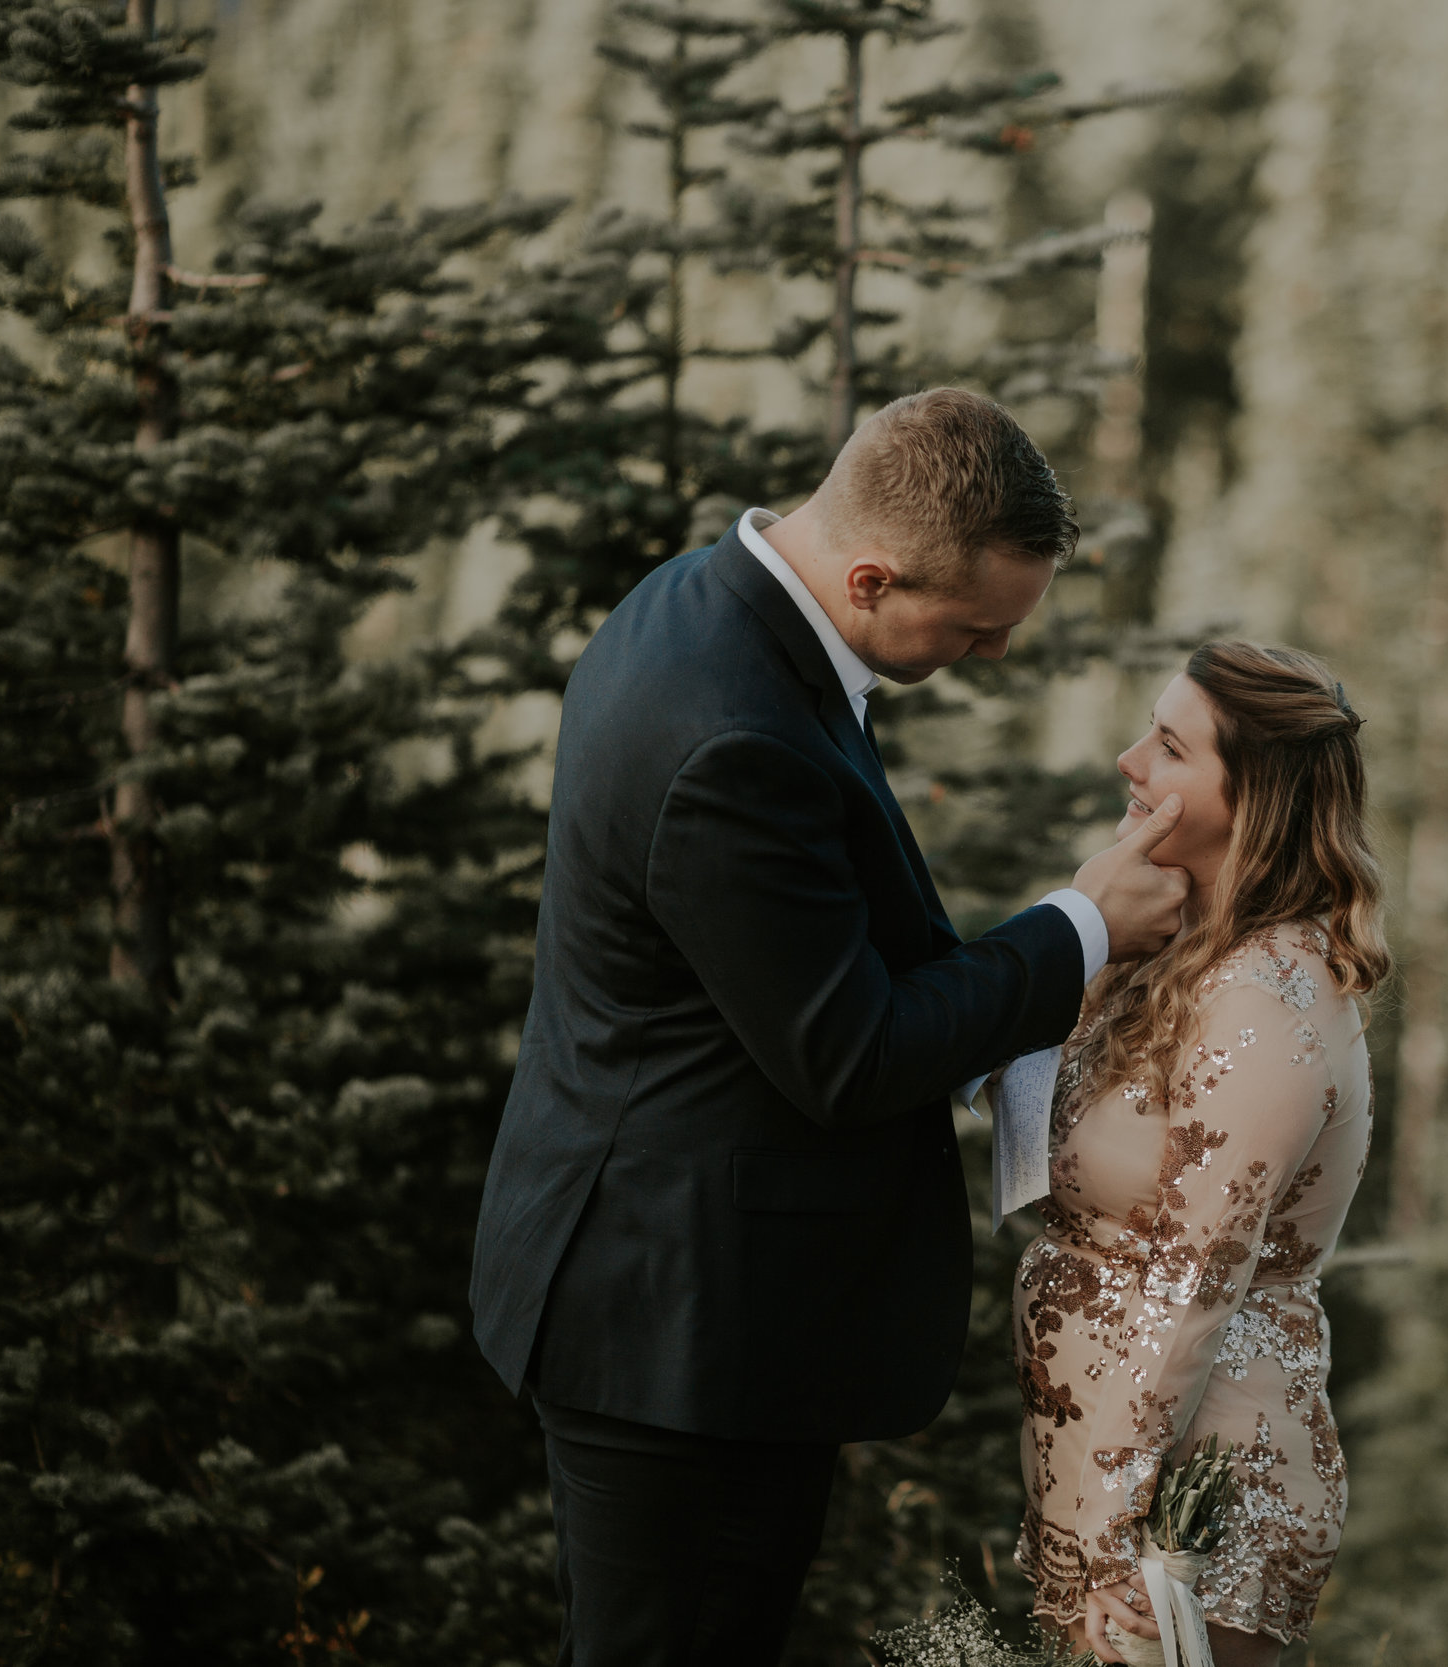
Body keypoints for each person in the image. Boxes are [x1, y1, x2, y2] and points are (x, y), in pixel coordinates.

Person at [467, 389, 1191, 1666]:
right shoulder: (729, 733)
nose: (990, 656)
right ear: (870, 575)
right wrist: (1078, 926)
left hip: (691, 1288)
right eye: (972, 627)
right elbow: (848, 1052)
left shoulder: (706, 603)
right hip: (673, 1322)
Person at [1011, 641, 1391, 1667]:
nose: (1131, 760)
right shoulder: (1179, 949)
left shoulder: (1265, 999)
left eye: (1170, 746)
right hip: (1107, 1467)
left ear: (1254, 797)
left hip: (1195, 1499)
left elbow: (1189, 1279)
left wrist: (1109, 1540)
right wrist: (1083, 925)